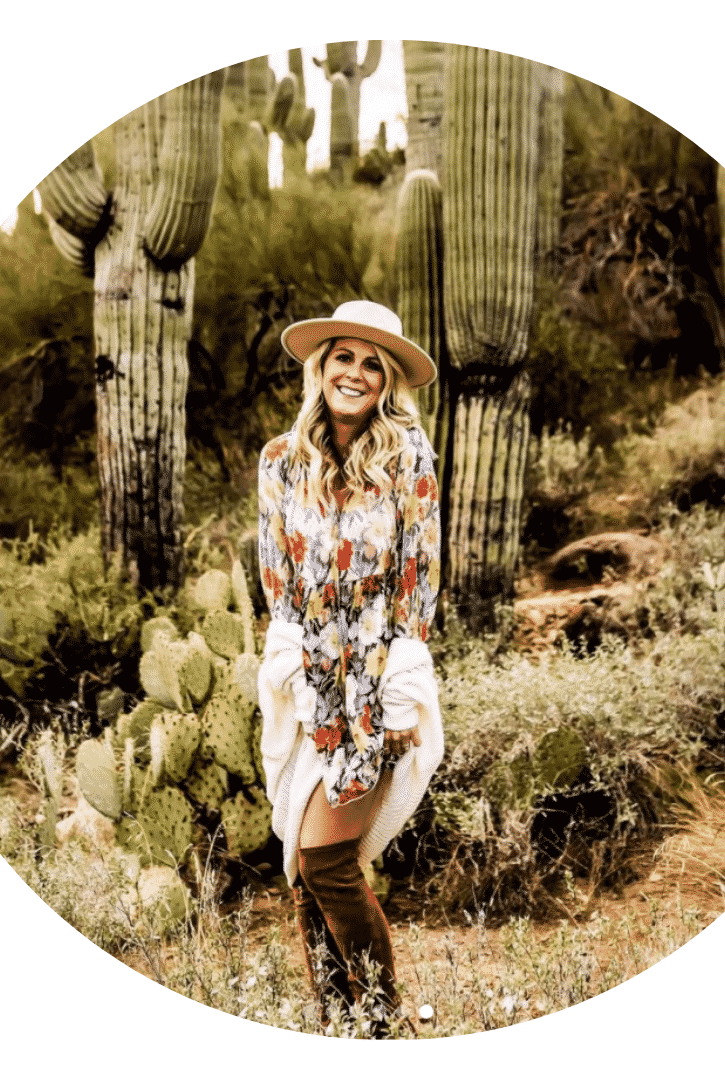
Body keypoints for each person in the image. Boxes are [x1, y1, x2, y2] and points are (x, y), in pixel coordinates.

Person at [256, 300, 444, 1037]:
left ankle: (383, 1022)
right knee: (303, 868)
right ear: (321, 367)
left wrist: (401, 689)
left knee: (327, 858)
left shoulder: (408, 455)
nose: (357, 373)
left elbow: (418, 577)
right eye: (345, 358)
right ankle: (340, 1027)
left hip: (374, 680)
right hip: (309, 681)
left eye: (374, 363)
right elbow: (276, 577)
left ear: (386, 380)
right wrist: (290, 675)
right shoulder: (279, 461)